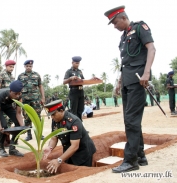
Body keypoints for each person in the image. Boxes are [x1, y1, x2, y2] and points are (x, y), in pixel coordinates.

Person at [104, 5, 156, 173]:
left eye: (114, 22)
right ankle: (140, 155)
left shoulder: (140, 27)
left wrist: (146, 72)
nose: (114, 26)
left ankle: (131, 160)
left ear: (124, 18)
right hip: (127, 82)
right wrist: (119, 82)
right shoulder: (123, 37)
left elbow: (151, 49)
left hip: (138, 81)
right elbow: (125, 62)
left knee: (131, 120)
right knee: (130, 120)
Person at [43, 100, 96, 173]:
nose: (52, 117)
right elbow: (54, 138)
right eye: (51, 115)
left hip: (82, 153)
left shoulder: (74, 122)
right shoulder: (55, 120)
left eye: (54, 114)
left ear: (61, 111)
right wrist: (49, 147)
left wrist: (59, 160)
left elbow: (75, 146)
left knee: (82, 175)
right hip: (69, 152)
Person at [0, 80, 25, 157]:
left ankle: (12, 149)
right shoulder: (1, 95)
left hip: (7, 106)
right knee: (3, 126)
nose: (17, 96)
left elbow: (18, 113)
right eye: (15, 94)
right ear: (10, 91)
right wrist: (0, 127)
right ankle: (1, 148)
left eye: (19, 93)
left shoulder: (19, 96)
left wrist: (22, 127)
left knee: (18, 124)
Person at [18, 60, 45, 141]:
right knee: (27, 118)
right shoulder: (20, 76)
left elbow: (40, 86)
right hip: (25, 101)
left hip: (35, 100)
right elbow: (18, 88)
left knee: (37, 117)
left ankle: (39, 134)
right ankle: (29, 135)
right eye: (27, 66)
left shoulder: (37, 75)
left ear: (32, 66)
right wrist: (19, 99)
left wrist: (43, 97)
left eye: (30, 66)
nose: (28, 67)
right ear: (24, 66)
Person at [0, 60, 16, 147]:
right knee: (3, 121)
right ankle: (3, 141)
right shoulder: (1, 75)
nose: (12, 68)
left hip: (10, 102)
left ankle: (8, 139)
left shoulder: (12, 77)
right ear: (6, 66)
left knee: (10, 120)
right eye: (10, 67)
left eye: (13, 67)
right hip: (2, 101)